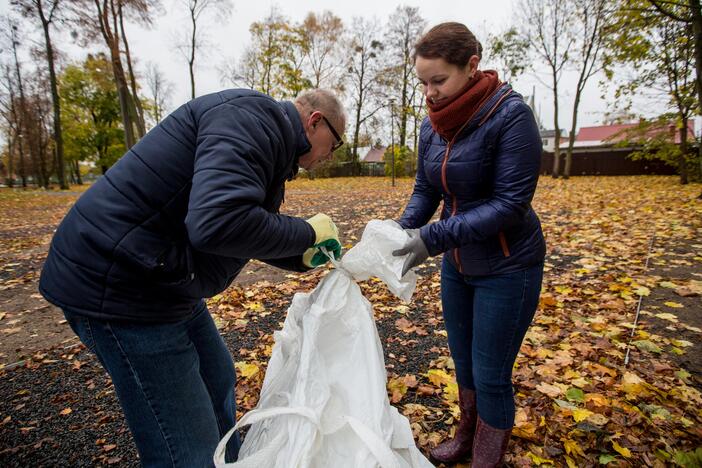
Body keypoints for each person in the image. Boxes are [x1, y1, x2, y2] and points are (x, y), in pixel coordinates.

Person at [39, 88, 346, 467]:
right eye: (334, 145)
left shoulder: (268, 138)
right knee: (185, 446)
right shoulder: (251, 121)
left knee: (217, 378)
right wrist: (305, 233)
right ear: (315, 122)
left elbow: (238, 227)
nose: (330, 156)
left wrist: (303, 256)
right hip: (120, 284)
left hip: (164, 277)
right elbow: (217, 223)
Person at [392, 22, 545, 467]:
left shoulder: (510, 116)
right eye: (422, 81)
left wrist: (432, 236)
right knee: (463, 363)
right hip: (458, 266)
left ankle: (487, 455)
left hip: (507, 265)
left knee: (491, 373)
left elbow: (509, 204)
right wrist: (401, 230)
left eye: (438, 80)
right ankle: (466, 434)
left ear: (472, 66)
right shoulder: (432, 125)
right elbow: (427, 188)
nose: (429, 92)